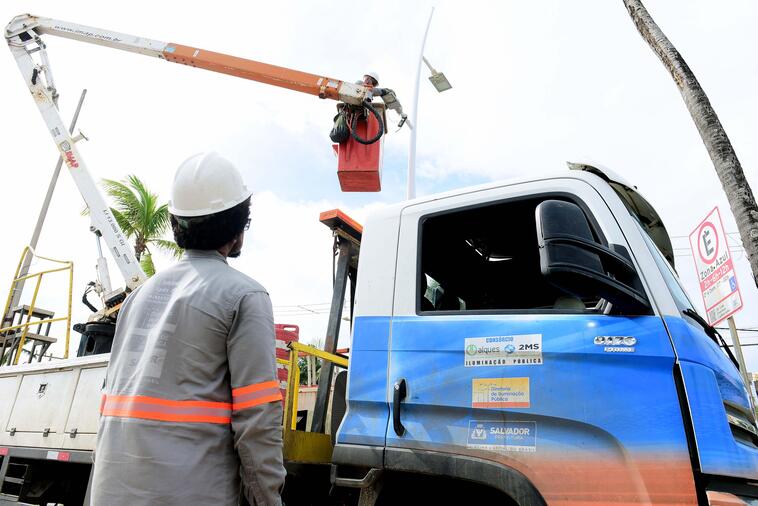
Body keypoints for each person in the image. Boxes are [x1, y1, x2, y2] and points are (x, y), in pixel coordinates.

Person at [91, 152, 286, 506]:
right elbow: (257, 421)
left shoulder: (138, 298)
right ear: (239, 228)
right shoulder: (245, 295)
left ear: (176, 224)